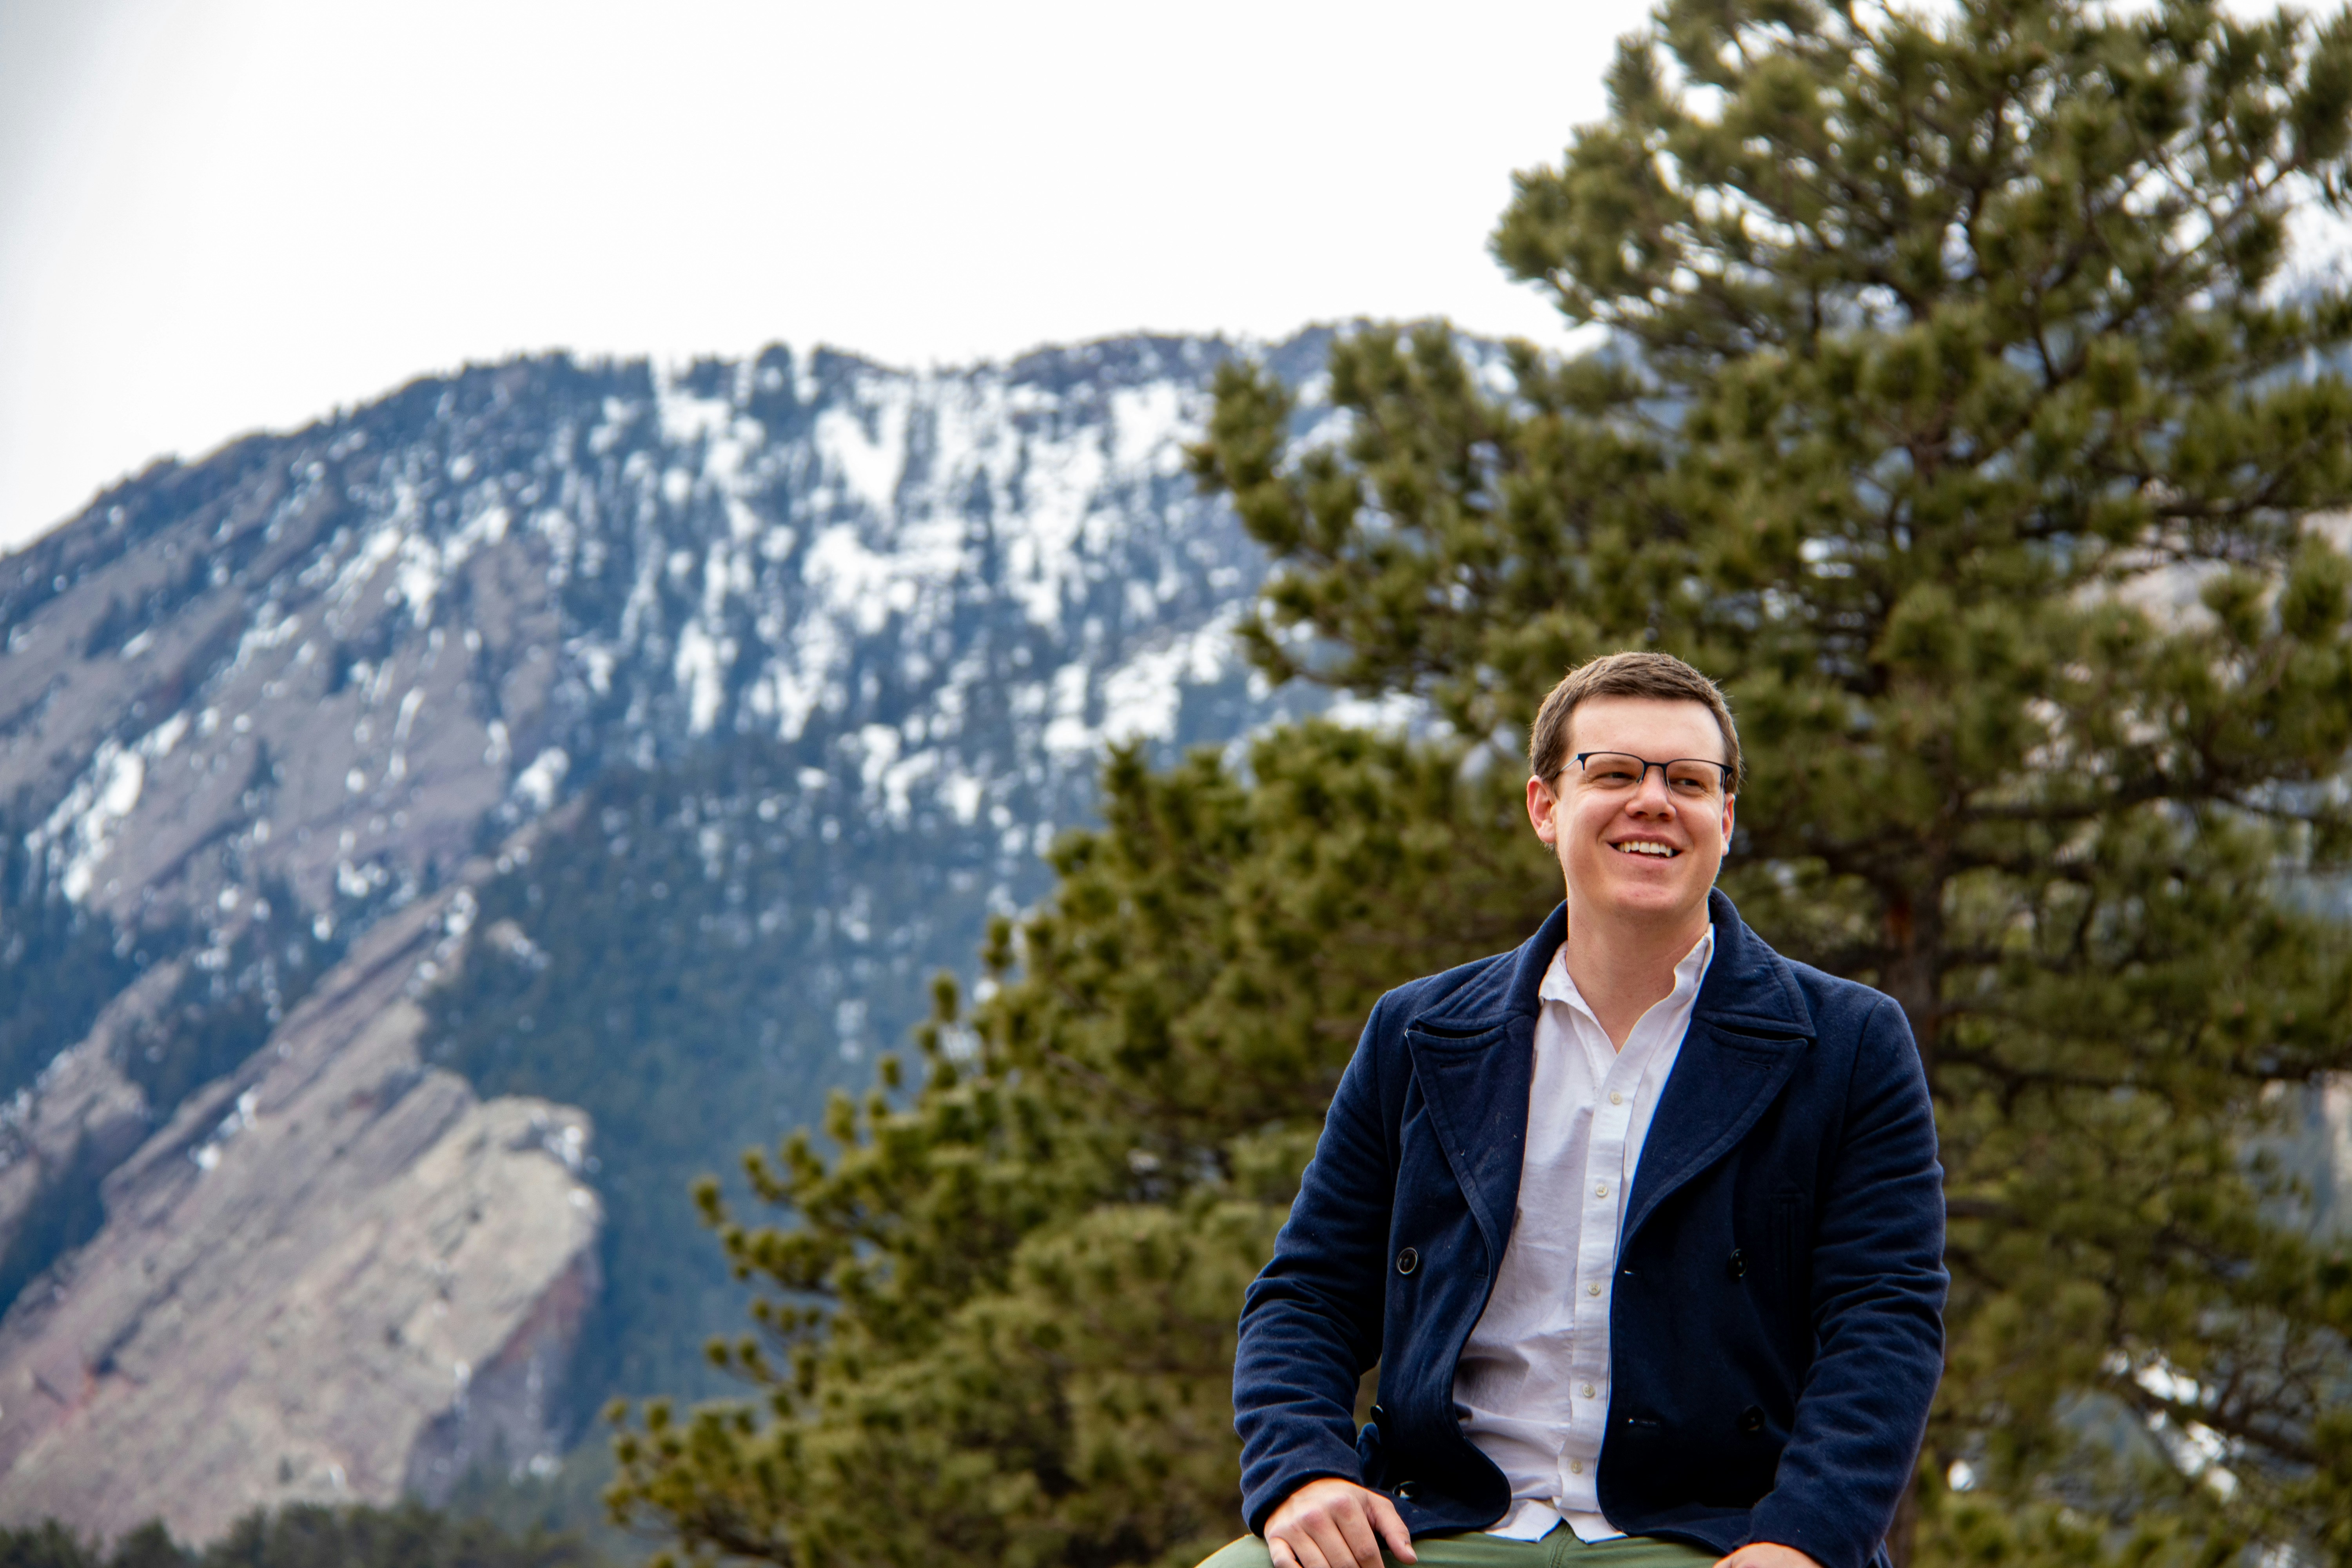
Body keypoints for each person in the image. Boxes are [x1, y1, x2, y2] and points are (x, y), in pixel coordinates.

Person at [1205, 652, 1946, 1568]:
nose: (1653, 801)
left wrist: (1803, 1538)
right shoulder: (1419, 1032)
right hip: (1442, 1522)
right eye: (1614, 772)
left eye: (1688, 780)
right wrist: (1304, 1472)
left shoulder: (1849, 1041)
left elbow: (1885, 1320)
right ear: (1545, 806)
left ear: (1725, 818)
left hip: (1710, 1533)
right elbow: (1307, 1293)